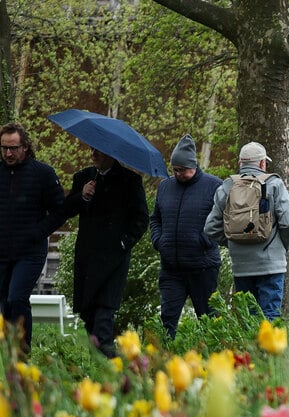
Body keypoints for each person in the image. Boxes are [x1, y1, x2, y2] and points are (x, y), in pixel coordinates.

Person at [61, 147, 149, 358]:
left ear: (112, 153)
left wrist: (123, 243)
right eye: (92, 149)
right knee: (88, 316)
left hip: (113, 260)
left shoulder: (129, 181)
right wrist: (82, 197)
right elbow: (66, 210)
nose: (93, 153)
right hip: (87, 258)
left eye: (99, 150)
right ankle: (97, 366)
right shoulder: (83, 178)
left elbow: (141, 218)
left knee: (103, 316)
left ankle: (109, 368)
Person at [204, 142, 289, 320]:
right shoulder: (275, 184)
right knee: (270, 315)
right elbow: (288, 223)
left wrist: (234, 241)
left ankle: (249, 348)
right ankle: (268, 348)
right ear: (262, 164)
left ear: (240, 163)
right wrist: (279, 246)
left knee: (248, 318)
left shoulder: (227, 187)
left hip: (241, 266)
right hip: (271, 264)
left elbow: (210, 227)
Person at [0, 122, 65, 352]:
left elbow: (60, 211)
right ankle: (7, 354)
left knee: (17, 298)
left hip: (29, 251)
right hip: (2, 251)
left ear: (25, 147)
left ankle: (22, 350)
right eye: (4, 148)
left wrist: (38, 232)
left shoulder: (42, 174)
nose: (8, 153)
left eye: (13, 148)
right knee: (4, 305)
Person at [151, 134, 224, 339]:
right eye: (174, 169)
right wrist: (159, 241)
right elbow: (155, 219)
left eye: (182, 170)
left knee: (209, 318)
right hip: (171, 268)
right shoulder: (165, 187)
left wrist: (204, 240)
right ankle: (164, 360)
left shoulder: (214, 186)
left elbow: (224, 220)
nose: (177, 173)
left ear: (193, 165)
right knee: (167, 319)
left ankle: (214, 360)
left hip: (202, 267)